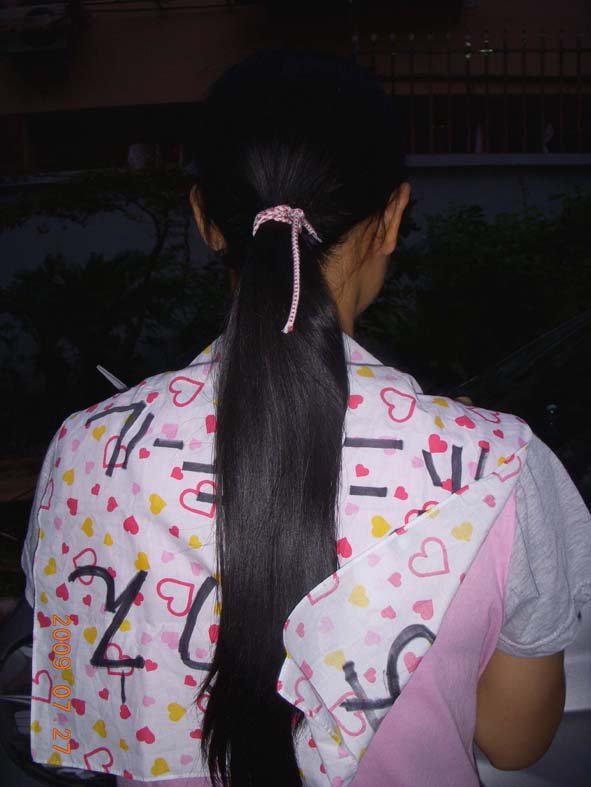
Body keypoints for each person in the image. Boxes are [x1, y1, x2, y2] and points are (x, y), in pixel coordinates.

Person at [21, 50, 591, 787]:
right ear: (392, 218)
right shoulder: (496, 468)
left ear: (206, 220)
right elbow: (514, 741)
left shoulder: (82, 455)